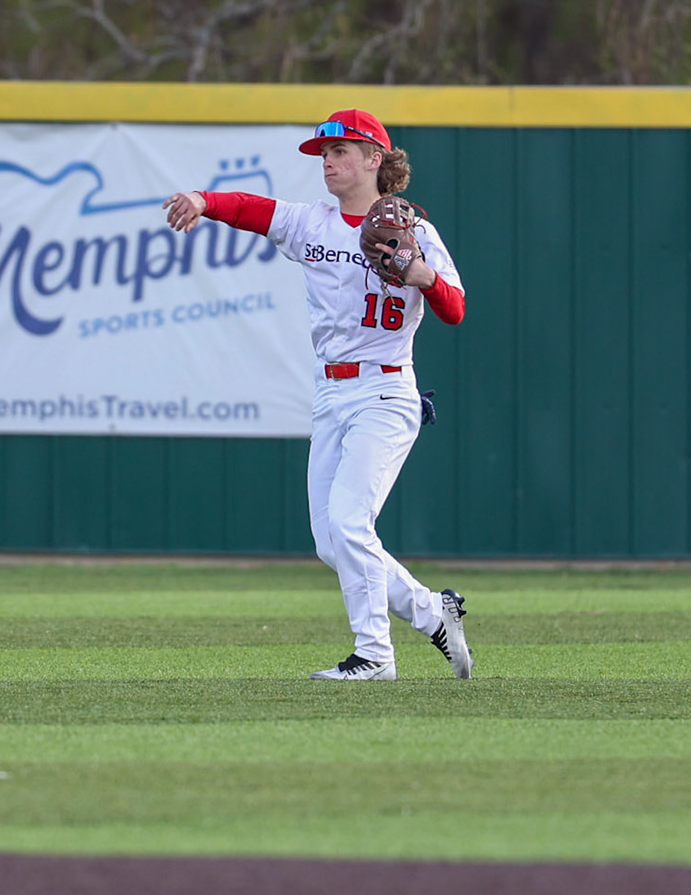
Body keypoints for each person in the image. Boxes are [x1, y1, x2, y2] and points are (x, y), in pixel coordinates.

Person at [163, 109, 472, 682]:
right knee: (332, 543)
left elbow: (454, 309)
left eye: (340, 152)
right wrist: (204, 201)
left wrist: (419, 272)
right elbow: (254, 211)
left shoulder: (415, 233)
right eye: (323, 154)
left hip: (385, 389)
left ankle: (375, 656)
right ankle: (433, 612)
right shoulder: (314, 223)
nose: (328, 162)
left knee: (351, 522)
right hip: (331, 396)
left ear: (374, 159)